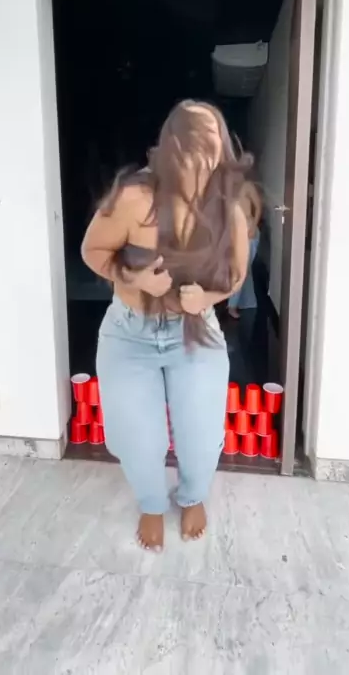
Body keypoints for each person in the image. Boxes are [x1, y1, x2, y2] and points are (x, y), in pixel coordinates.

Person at [81, 100, 252, 551]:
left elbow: (237, 273)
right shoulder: (135, 198)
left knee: (201, 434)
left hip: (194, 332)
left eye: (212, 142)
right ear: (172, 145)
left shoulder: (228, 207)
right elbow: (92, 251)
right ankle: (152, 503)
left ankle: (193, 496)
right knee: (137, 436)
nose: (203, 156)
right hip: (128, 333)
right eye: (193, 143)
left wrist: (208, 298)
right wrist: (133, 277)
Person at [227, 178, 262, 319]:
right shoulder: (226, 187)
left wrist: (254, 225)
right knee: (241, 269)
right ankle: (245, 303)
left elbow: (258, 207)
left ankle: (232, 305)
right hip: (235, 231)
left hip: (248, 229)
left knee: (242, 269)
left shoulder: (247, 186)